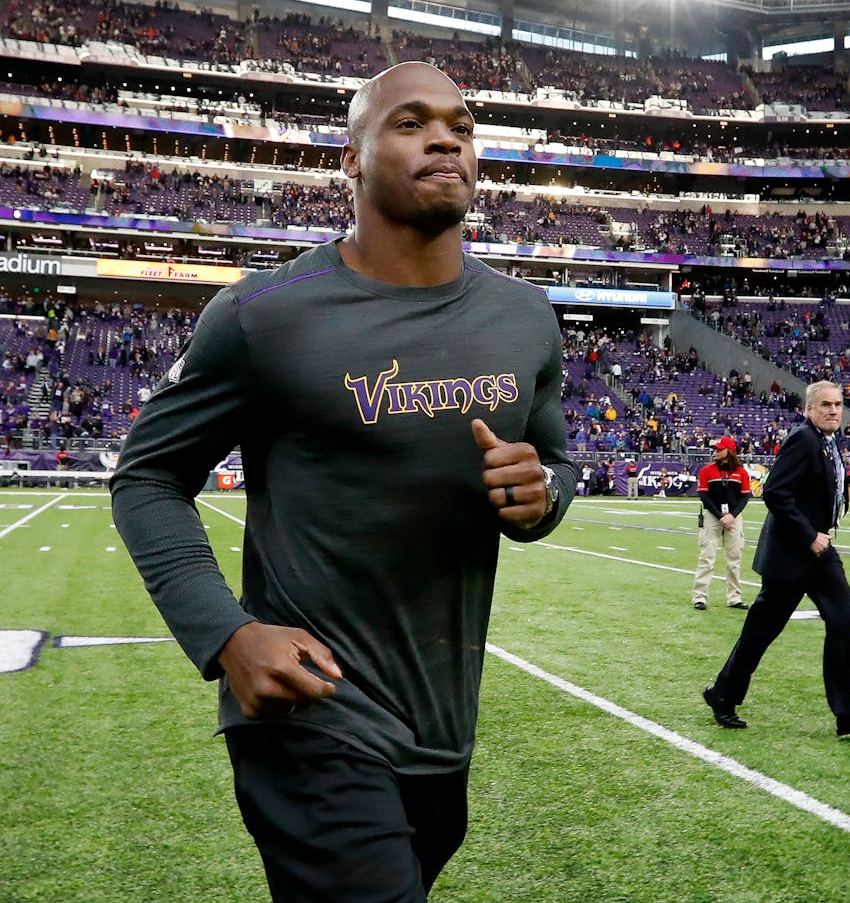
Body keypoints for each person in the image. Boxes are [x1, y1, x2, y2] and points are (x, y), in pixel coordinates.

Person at [110, 62, 575, 902]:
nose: (446, 138)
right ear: (351, 158)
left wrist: (542, 495)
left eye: (462, 127)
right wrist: (226, 633)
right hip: (309, 713)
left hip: (441, 726)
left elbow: (555, 465)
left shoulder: (525, 316)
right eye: (410, 122)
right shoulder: (266, 316)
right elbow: (146, 477)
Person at [702, 381, 850, 738]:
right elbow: (775, 492)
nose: (834, 410)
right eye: (826, 405)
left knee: (843, 619)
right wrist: (810, 535)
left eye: (838, 404)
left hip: (818, 553)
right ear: (809, 409)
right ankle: (722, 693)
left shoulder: (828, 440)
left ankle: (847, 713)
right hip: (793, 554)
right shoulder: (803, 439)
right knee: (761, 632)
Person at [691, 436, 751, 611]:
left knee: (734, 559)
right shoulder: (707, 470)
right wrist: (720, 515)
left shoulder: (741, 472)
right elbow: (703, 495)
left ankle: (735, 597)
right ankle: (700, 596)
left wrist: (732, 515)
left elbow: (745, 495)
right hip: (712, 515)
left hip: (733, 517)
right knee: (706, 557)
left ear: (729, 451)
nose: (715, 452)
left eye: (719, 449)